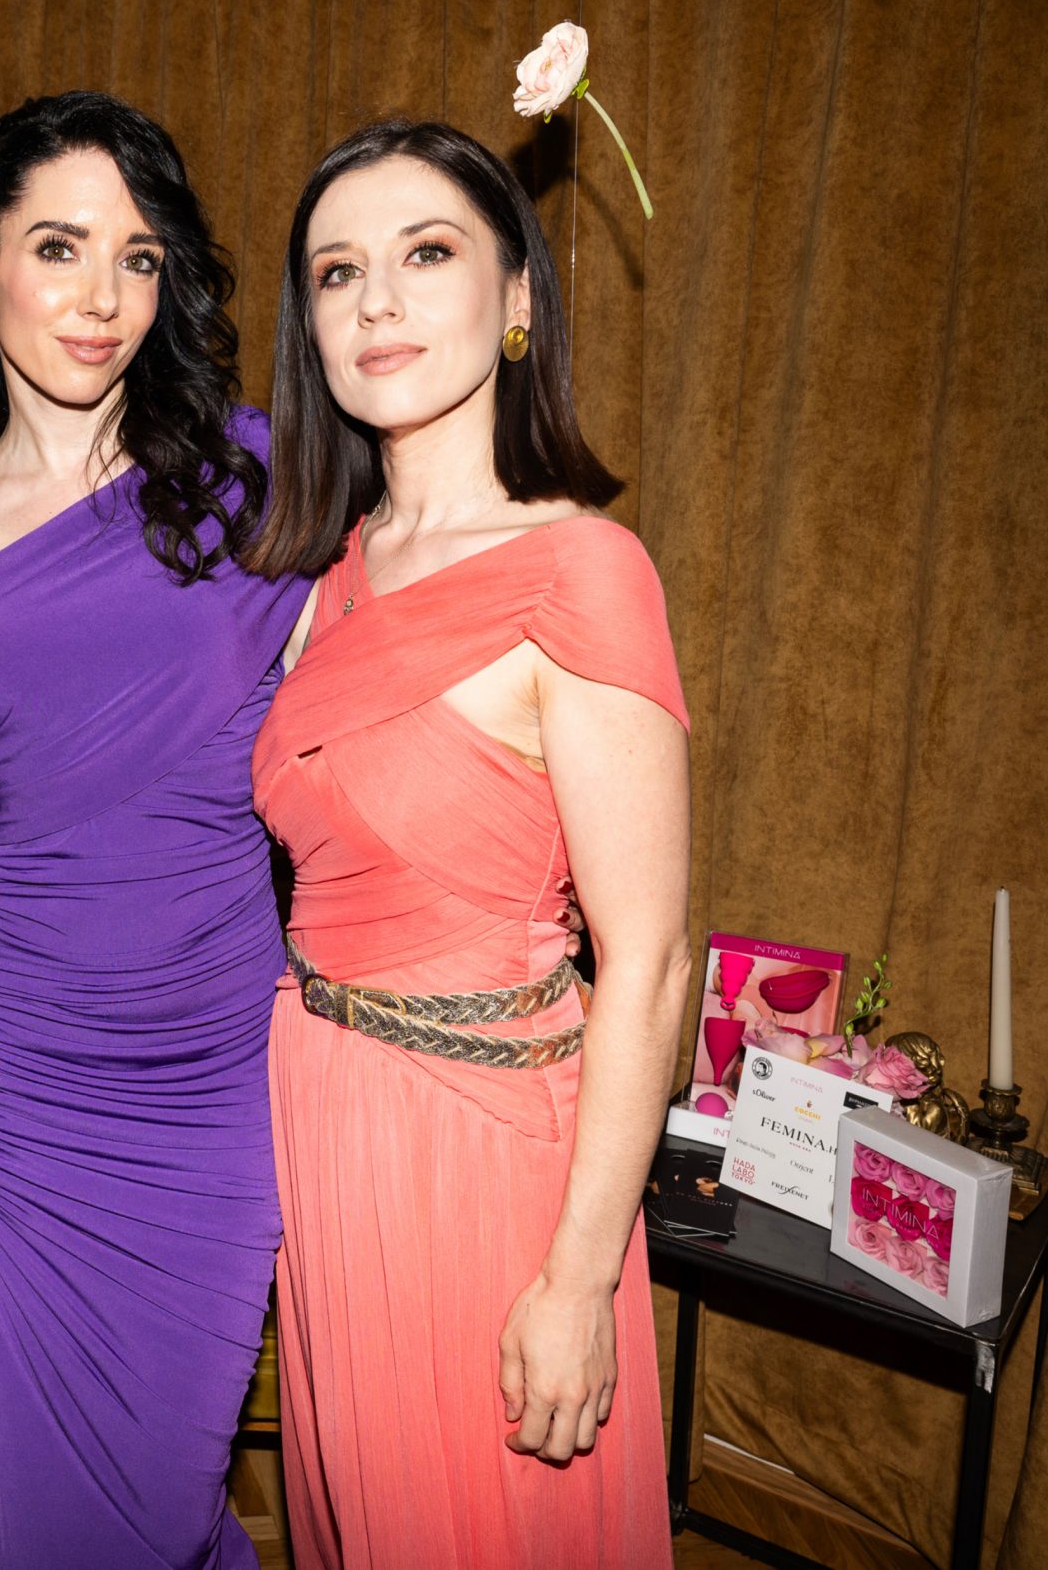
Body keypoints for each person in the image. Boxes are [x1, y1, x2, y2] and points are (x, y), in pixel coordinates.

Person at [246, 120, 691, 1567]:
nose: (376, 300)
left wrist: (578, 1276)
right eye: (336, 272)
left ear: (515, 297)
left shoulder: (582, 570)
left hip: (494, 1159)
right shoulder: (317, 578)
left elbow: (649, 959)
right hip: (321, 1123)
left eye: (425, 254)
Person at [0, 91, 306, 1570]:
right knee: (54, 1495)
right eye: (58, 247)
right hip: (13, 1063)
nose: (100, 297)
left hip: (210, 1060)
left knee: (162, 1487)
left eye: (137, 258)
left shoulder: (259, 477)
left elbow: (342, 718)